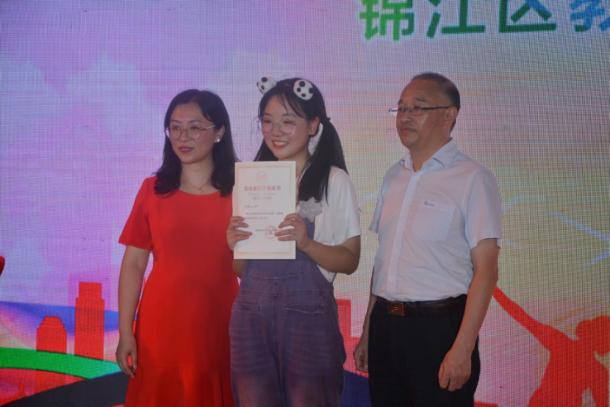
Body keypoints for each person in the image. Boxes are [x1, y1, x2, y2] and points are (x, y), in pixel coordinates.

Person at [354, 72, 502, 406]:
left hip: (439, 331)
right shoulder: (393, 176)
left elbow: (486, 271)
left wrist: (463, 348)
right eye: (401, 108)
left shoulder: (473, 178)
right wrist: (368, 330)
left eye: (417, 108)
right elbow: (385, 261)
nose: (405, 117)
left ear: (449, 115)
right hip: (386, 327)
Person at [227, 77, 361, 407]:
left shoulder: (333, 180)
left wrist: (307, 244)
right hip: (251, 318)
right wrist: (236, 245)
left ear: (313, 125)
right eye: (267, 121)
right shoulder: (250, 182)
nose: (276, 131)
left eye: (288, 121)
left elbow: (350, 260)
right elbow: (242, 270)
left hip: (308, 322)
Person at [116, 89, 239, 406]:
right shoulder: (153, 190)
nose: (183, 136)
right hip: (161, 321)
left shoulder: (243, 190)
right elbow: (133, 264)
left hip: (220, 321)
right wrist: (126, 331)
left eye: (195, 127)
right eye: (175, 127)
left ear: (220, 132)